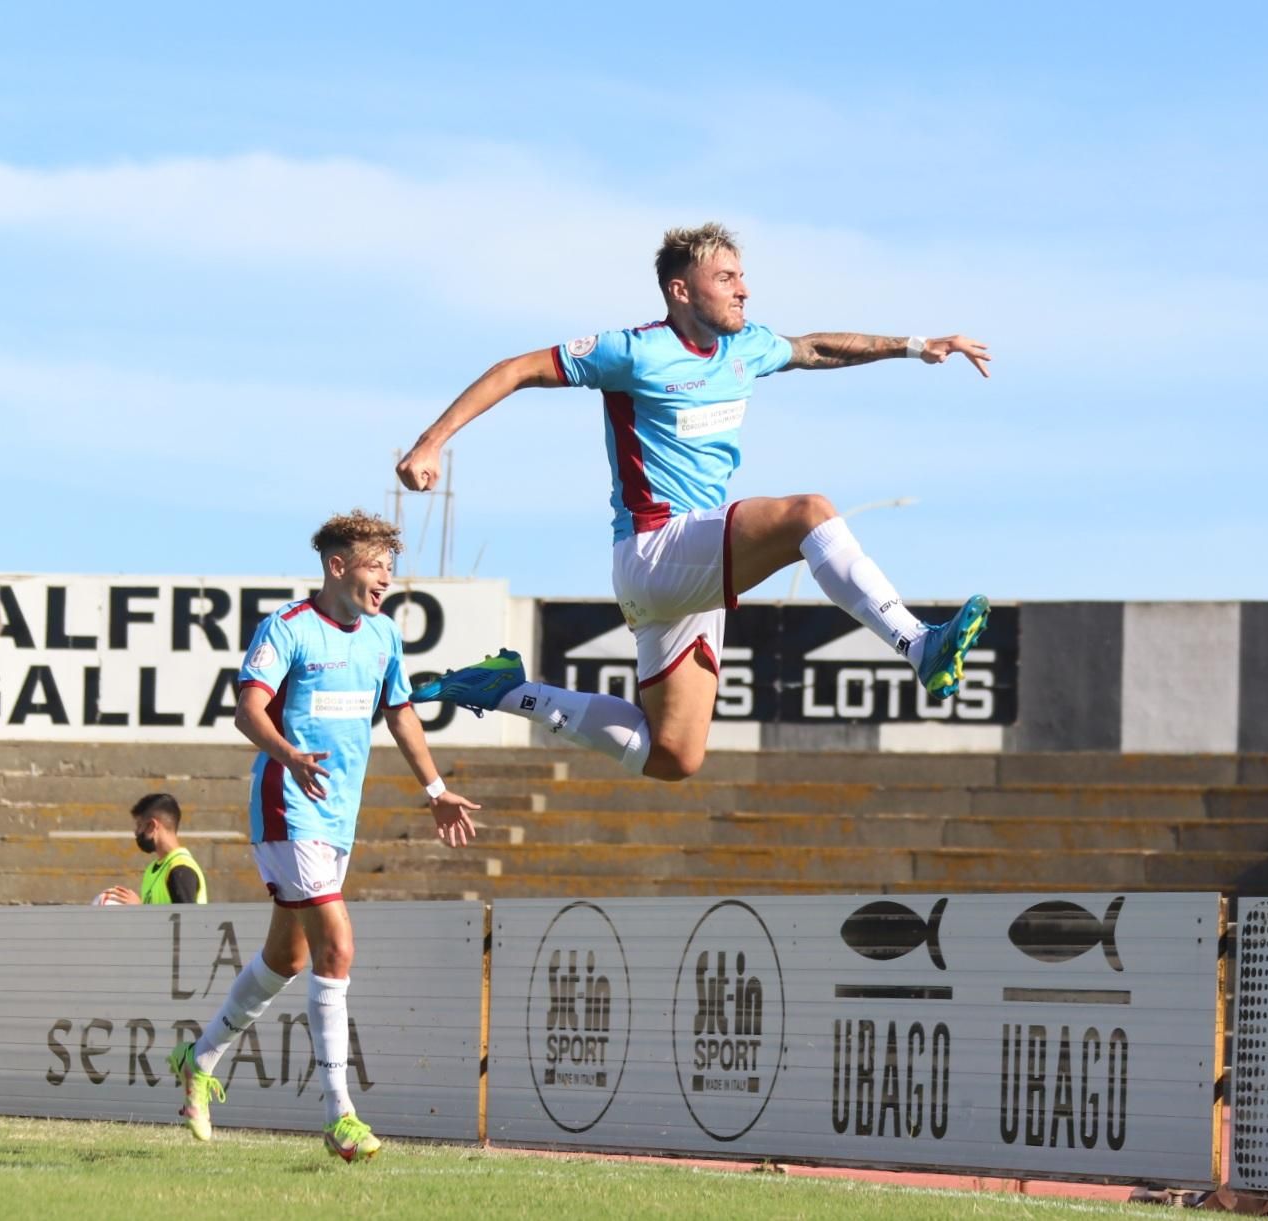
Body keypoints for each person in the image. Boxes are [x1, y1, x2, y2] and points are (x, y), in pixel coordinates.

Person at [397, 222, 992, 782]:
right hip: (657, 550)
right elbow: (516, 369)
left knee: (674, 755)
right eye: (726, 279)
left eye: (742, 277)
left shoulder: (746, 348)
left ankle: (504, 690)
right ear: (681, 290)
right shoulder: (631, 351)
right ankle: (918, 644)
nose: (745, 290)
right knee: (809, 513)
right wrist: (431, 444)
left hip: (690, 567)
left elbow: (816, 349)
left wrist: (916, 346)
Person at [165, 509, 480, 1163]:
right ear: (338, 566)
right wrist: (289, 755)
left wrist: (434, 789)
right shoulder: (287, 630)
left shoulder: (384, 635)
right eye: (374, 567)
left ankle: (198, 1061)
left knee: (290, 958)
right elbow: (247, 709)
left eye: (391, 569)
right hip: (286, 806)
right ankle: (341, 1115)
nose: (385, 580)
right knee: (337, 943)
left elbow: (400, 713)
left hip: (337, 818)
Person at [96, 792, 208, 905]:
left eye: (139, 825)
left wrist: (140, 909)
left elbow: (187, 921)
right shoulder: (152, 870)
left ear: (152, 826)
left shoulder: (180, 869)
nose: (136, 832)